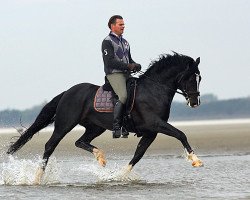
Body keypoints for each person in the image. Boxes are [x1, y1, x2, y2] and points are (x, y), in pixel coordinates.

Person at [102, 15, 141, 138]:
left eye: (123, 24)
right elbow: (110, 62)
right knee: (123, 96)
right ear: (112, 26)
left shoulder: (125, 42)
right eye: (120, 24)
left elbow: (128, 59)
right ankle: (117, 127)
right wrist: (128, 66)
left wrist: (135, 65)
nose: (123, 26)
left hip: (126, 73)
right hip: (114, 74)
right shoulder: (107, 41)